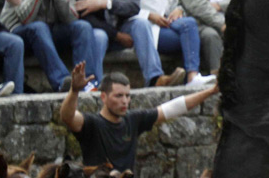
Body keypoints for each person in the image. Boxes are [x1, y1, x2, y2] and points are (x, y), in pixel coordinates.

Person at [60, 64, 219, 171]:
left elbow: (171, 108)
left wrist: (211, 91)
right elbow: (68, 117)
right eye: (119, 96)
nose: (125, 101)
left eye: (128, 96)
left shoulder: (133, 120)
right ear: (103, 97)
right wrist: (74, 91)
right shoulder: (92, 124)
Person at [0, 0, 101, 92]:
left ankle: (86, 83)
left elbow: (72, 18)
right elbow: (25, 18)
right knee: (39, 27)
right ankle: (62, 82)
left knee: (83, 27)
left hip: (50, 30)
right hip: (19, 31)